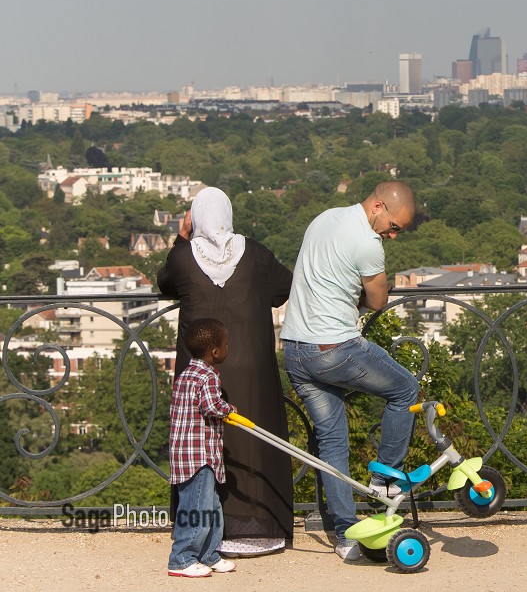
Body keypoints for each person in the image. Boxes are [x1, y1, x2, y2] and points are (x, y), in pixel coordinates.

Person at [280, 181, 420, 561]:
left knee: (332, 444)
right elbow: (377, 300)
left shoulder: (324, 218)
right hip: (333, 349)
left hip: (294, 350)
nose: (392, 236)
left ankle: (345, 537)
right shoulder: (368, 243)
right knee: (405, 389)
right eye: (394, 227)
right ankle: (387, 479)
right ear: (377, 206)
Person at [158, 187, 294, 557]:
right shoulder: (257, 255)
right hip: (251, 364)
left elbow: (164, 282)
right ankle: (261, 527)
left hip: (201, 366)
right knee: (254, 443)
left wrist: (181, 237)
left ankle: (203, 538)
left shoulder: (184, 259)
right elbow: (284, 287)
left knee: (201, 448)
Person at [167, 318, 237, 578]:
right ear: (215, 352)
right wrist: (229, 410)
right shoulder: (207, 376)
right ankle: (182, 558)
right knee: (197, 507)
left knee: (211, 505)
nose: (228, 349)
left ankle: (209, 553)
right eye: (226, 344)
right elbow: (211, 407)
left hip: (188, 452)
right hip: (199, 455)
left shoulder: (186, 373)